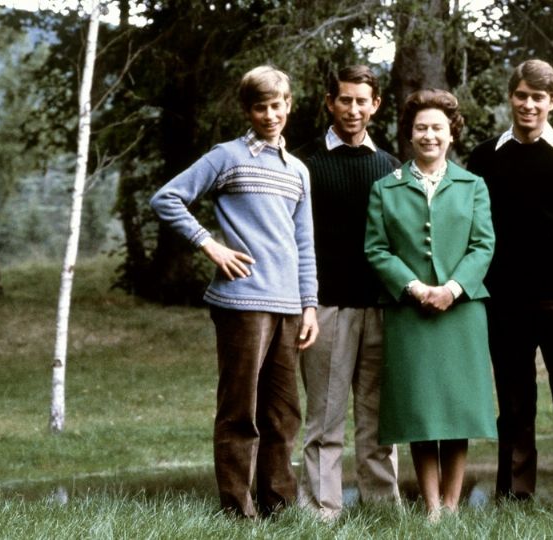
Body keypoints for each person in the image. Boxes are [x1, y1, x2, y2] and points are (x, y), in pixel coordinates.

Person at [149, 65, 318, 518]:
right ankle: (237, 513)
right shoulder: (227, 156)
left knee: (283, 415)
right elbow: (167, 198)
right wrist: (210, 245)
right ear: (248, 109)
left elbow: (304, 243)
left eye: (277, 105)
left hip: (288, 305)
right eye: (260, 107)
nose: (269, 114)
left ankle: (279, 509)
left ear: (289, 106)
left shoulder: (298, 171)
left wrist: (310, 305)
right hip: (242, 302)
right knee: (240, 411)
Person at [466, 59, 553, 501]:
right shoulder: (485, 157)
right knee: (515, 401)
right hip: (504, 299)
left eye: (538, 98)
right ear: (511, 97)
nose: (528, 105)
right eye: (522, 96)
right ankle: (515, 493)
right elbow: (473, 224)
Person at [364, 88, 496, 521]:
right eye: (421, 127)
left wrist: (452, 288)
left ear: (452, 133)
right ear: (409, 133)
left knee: (457, 411)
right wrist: (417, 288)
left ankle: (454, 505)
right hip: (410, 312)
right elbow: (377, 250)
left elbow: (483, 245)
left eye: (438, 127)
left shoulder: (473, 185)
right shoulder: (386, 188)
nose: (429, 135)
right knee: (421, 411)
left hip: (461, 311)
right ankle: (432, 506)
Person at [295, 65, 401, 521]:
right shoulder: (304, 164)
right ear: (329, 102)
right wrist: (307, 304)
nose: (353, 109)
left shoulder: (392, 168)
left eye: (362, 101)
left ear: (375, 105)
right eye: (345, 100)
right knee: (325, 419)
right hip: (327, 308)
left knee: (379, 421)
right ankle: (322, 512)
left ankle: (383, 511)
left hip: (382, 308)